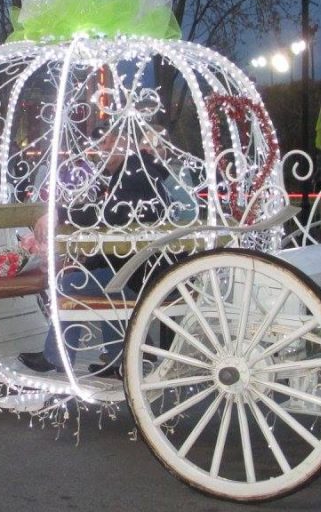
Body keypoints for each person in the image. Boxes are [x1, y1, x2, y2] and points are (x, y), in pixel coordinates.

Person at [18, 130, 197, 378]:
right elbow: (118, 223)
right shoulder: (141, 170)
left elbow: (111, 216)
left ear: (125, 143)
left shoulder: (133, 170)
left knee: (67, 283)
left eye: (109, 141)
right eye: (103, 142)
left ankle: (57, 356)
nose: (103, 148)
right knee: (104, 280)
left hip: (145, 275)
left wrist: (59, 213)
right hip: (151, 270)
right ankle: (120, 358)